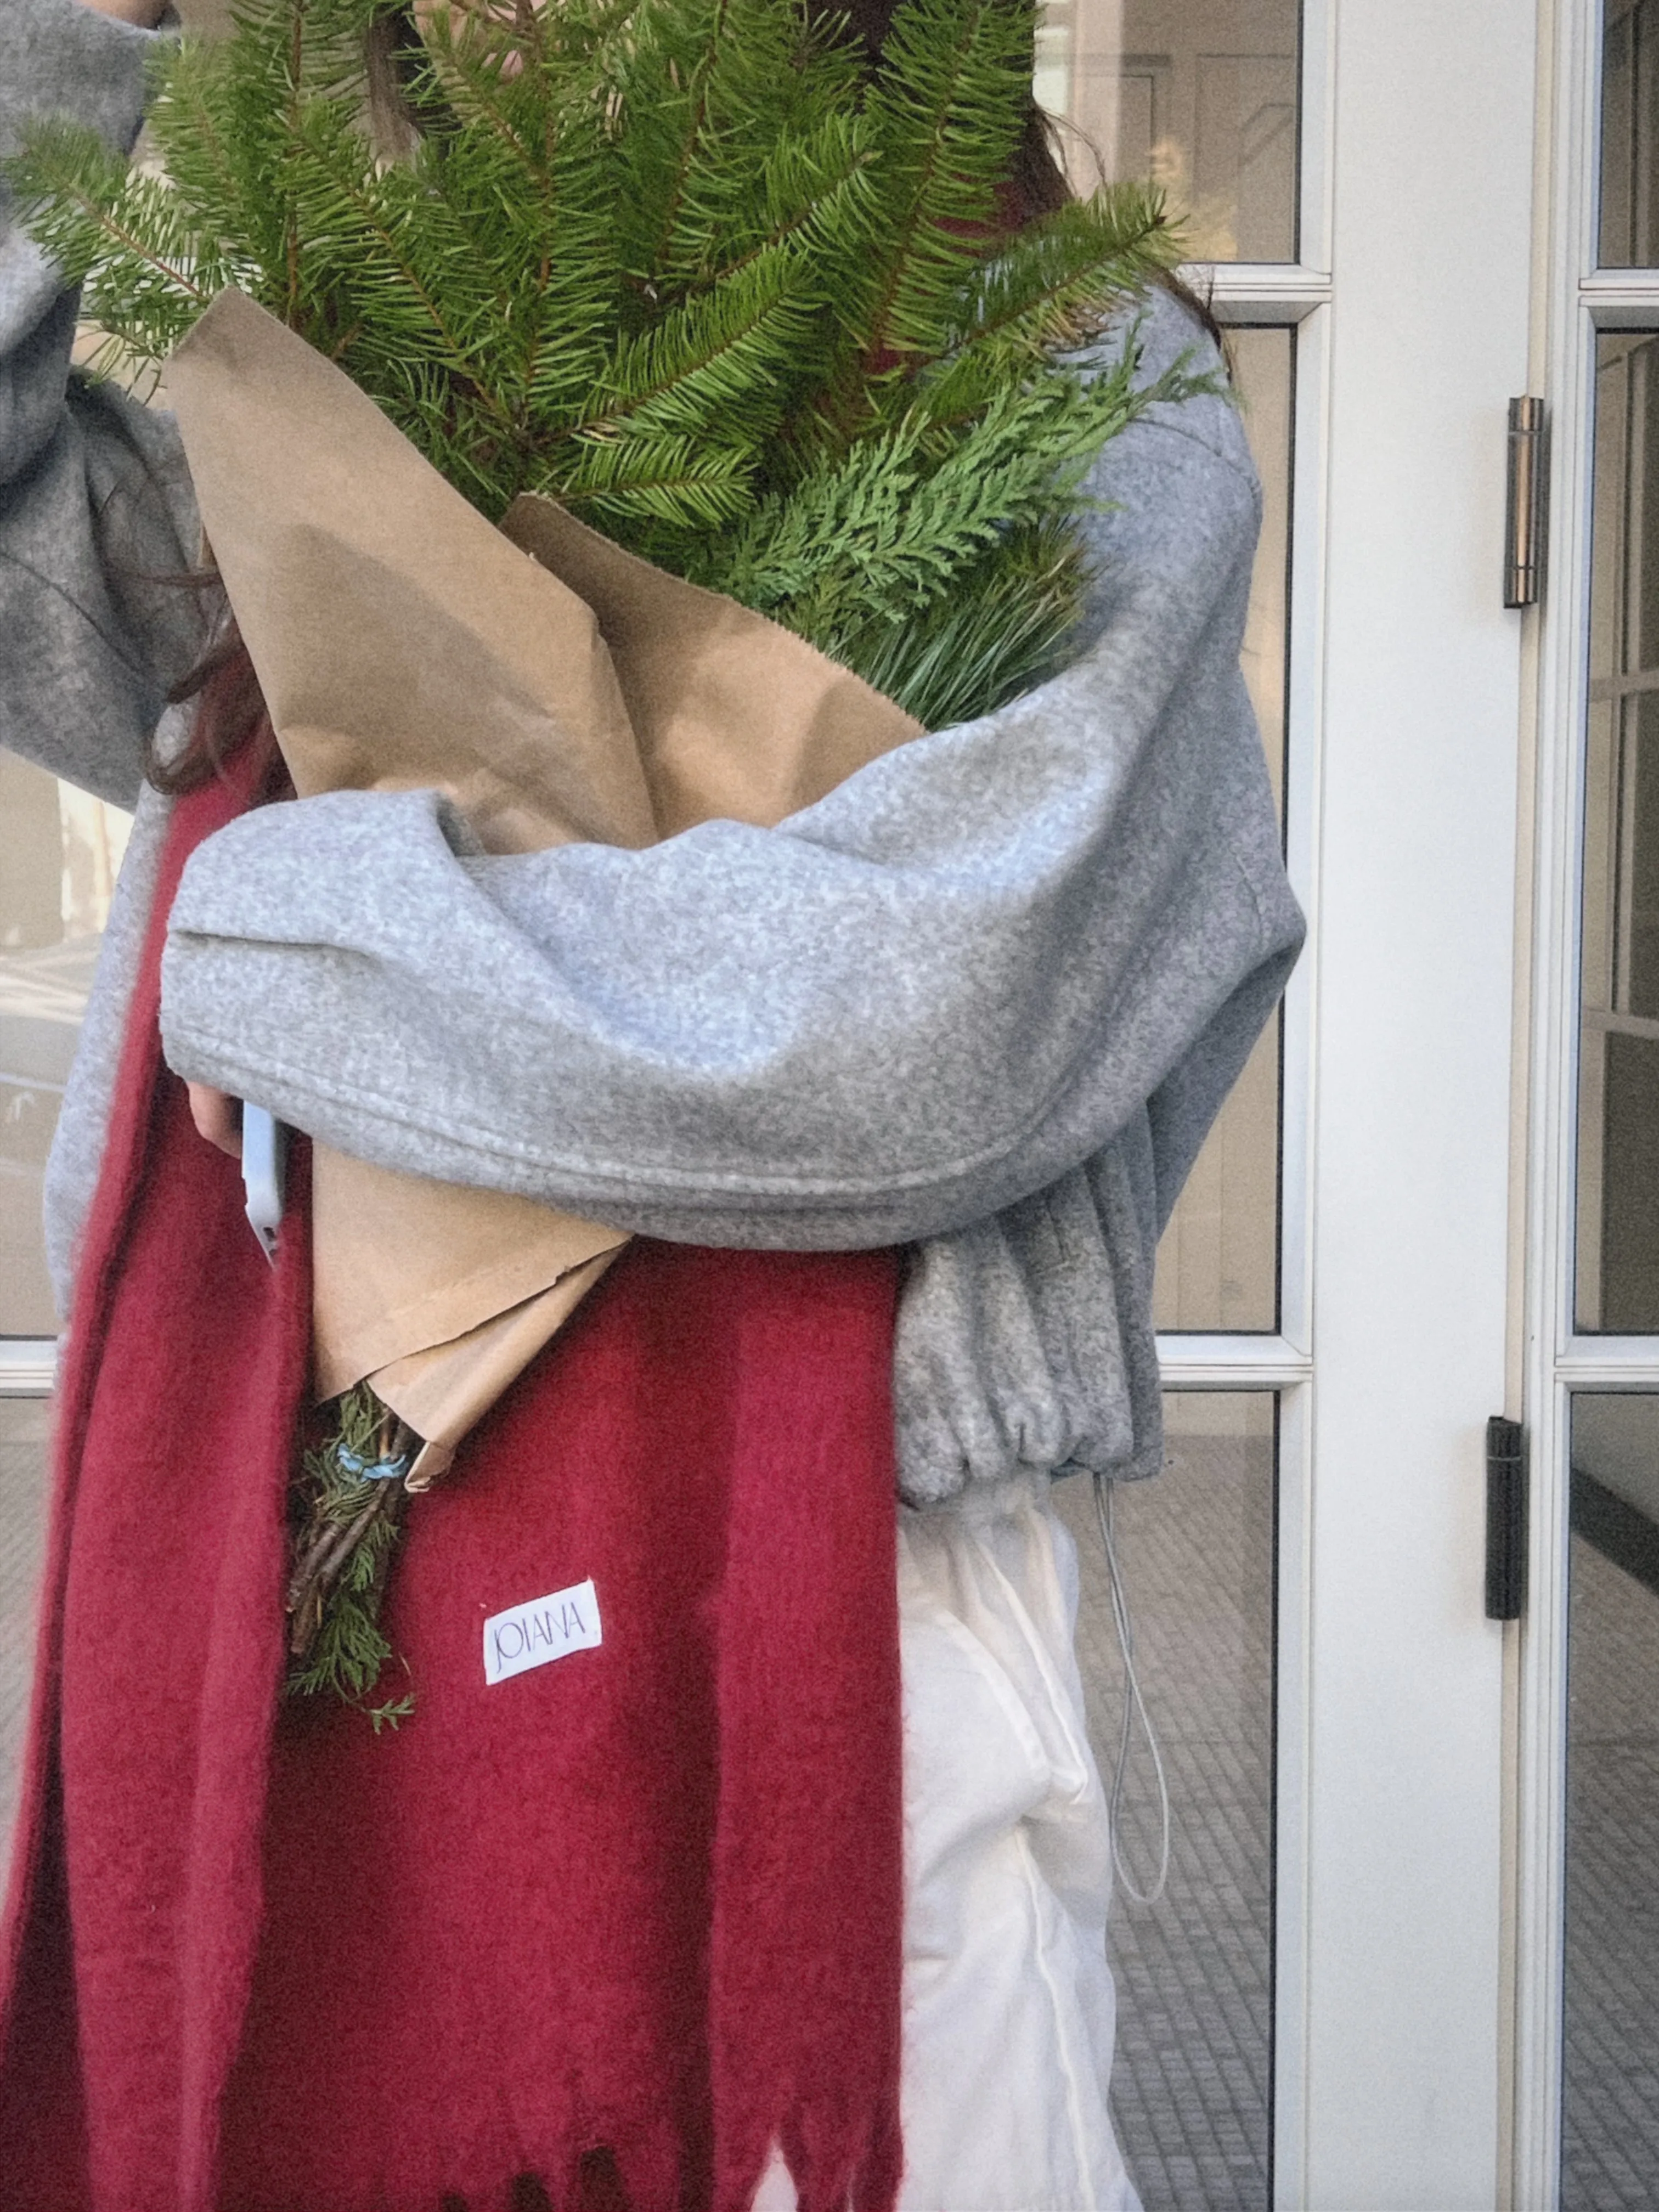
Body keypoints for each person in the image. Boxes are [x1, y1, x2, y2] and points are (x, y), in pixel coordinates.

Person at [0, 0, 1305, 2205]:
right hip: (324, 1546)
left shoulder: (1067, 373)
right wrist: (123, 41)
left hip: (833, 1621)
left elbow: (933, 1030)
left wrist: (277, 944)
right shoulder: (329, 314)